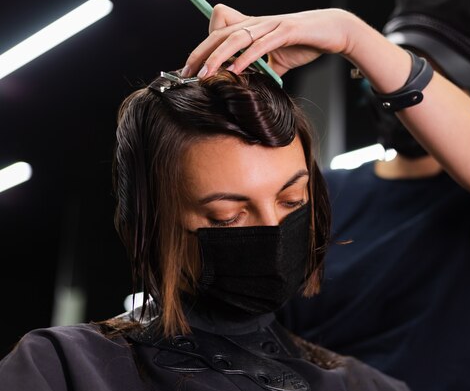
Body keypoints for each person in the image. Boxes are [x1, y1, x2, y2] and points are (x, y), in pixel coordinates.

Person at [0, 65, 409, 390]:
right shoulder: (64, 368)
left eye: (292, 201)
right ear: (156, 221)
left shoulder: (363, 384)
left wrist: (350, 36)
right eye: (229, 216)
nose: (274, 228)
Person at [274, 0, 470, 391]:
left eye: (432, 74)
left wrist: (351, 35)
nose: (392, 93)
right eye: (390, 70)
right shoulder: (323, 192)